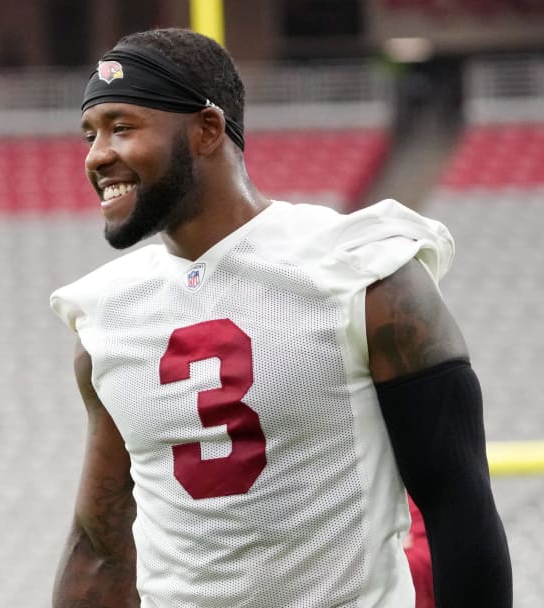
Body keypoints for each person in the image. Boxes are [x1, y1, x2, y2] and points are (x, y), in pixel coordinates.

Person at [49, 27, 511, 608]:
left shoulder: (363, 270)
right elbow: (100, 545)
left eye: (122, 127)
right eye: (90, 135)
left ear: (207, 130)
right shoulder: (107, 318)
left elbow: (457, 506)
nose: (97, 156)